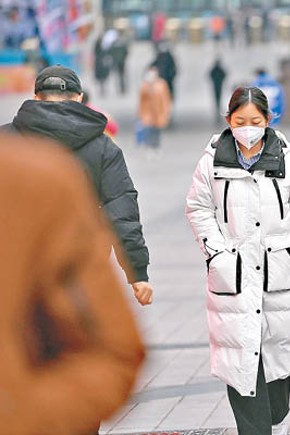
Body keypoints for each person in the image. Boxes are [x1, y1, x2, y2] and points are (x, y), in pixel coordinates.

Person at [185, 86, 290, 435]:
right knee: (240, 360)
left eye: (255, 120)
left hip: (278, 272)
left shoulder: (287, 160)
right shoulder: (212, 161)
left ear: (268, 120)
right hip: (233, 274)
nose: (247, 127)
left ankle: (271, 415)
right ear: (228, 120)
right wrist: (216, 251)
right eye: (239, 120)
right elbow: (198, 207)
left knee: (280, 365)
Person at [0, 134, 145, 434]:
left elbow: (111, 354)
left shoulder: (28, 178)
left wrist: (18, 416)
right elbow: (123, 209)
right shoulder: (38, 172)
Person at [3, 65, 154, 308]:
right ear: (80, 98)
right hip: (79, 272)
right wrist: (137, 274)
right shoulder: (103, 148)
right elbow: (121, 211)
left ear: (36, 97)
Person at [137, 65, 172, 153]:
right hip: (147, 112)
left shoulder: (161, 84)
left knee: (157, 131)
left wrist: (166, 111)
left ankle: (156, 146)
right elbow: (142, 99)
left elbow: (165, 98)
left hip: (158, 112)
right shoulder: (145, 85)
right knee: (148, 130)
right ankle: (149, 146)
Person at [209, 57, 227, 122]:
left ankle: (218, 105)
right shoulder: (217, 69)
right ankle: (217, 105)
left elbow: (224, 75)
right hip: (217, 84)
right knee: (217, 95)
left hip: (218, 84)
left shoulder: (217, 69)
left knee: (218, 95)